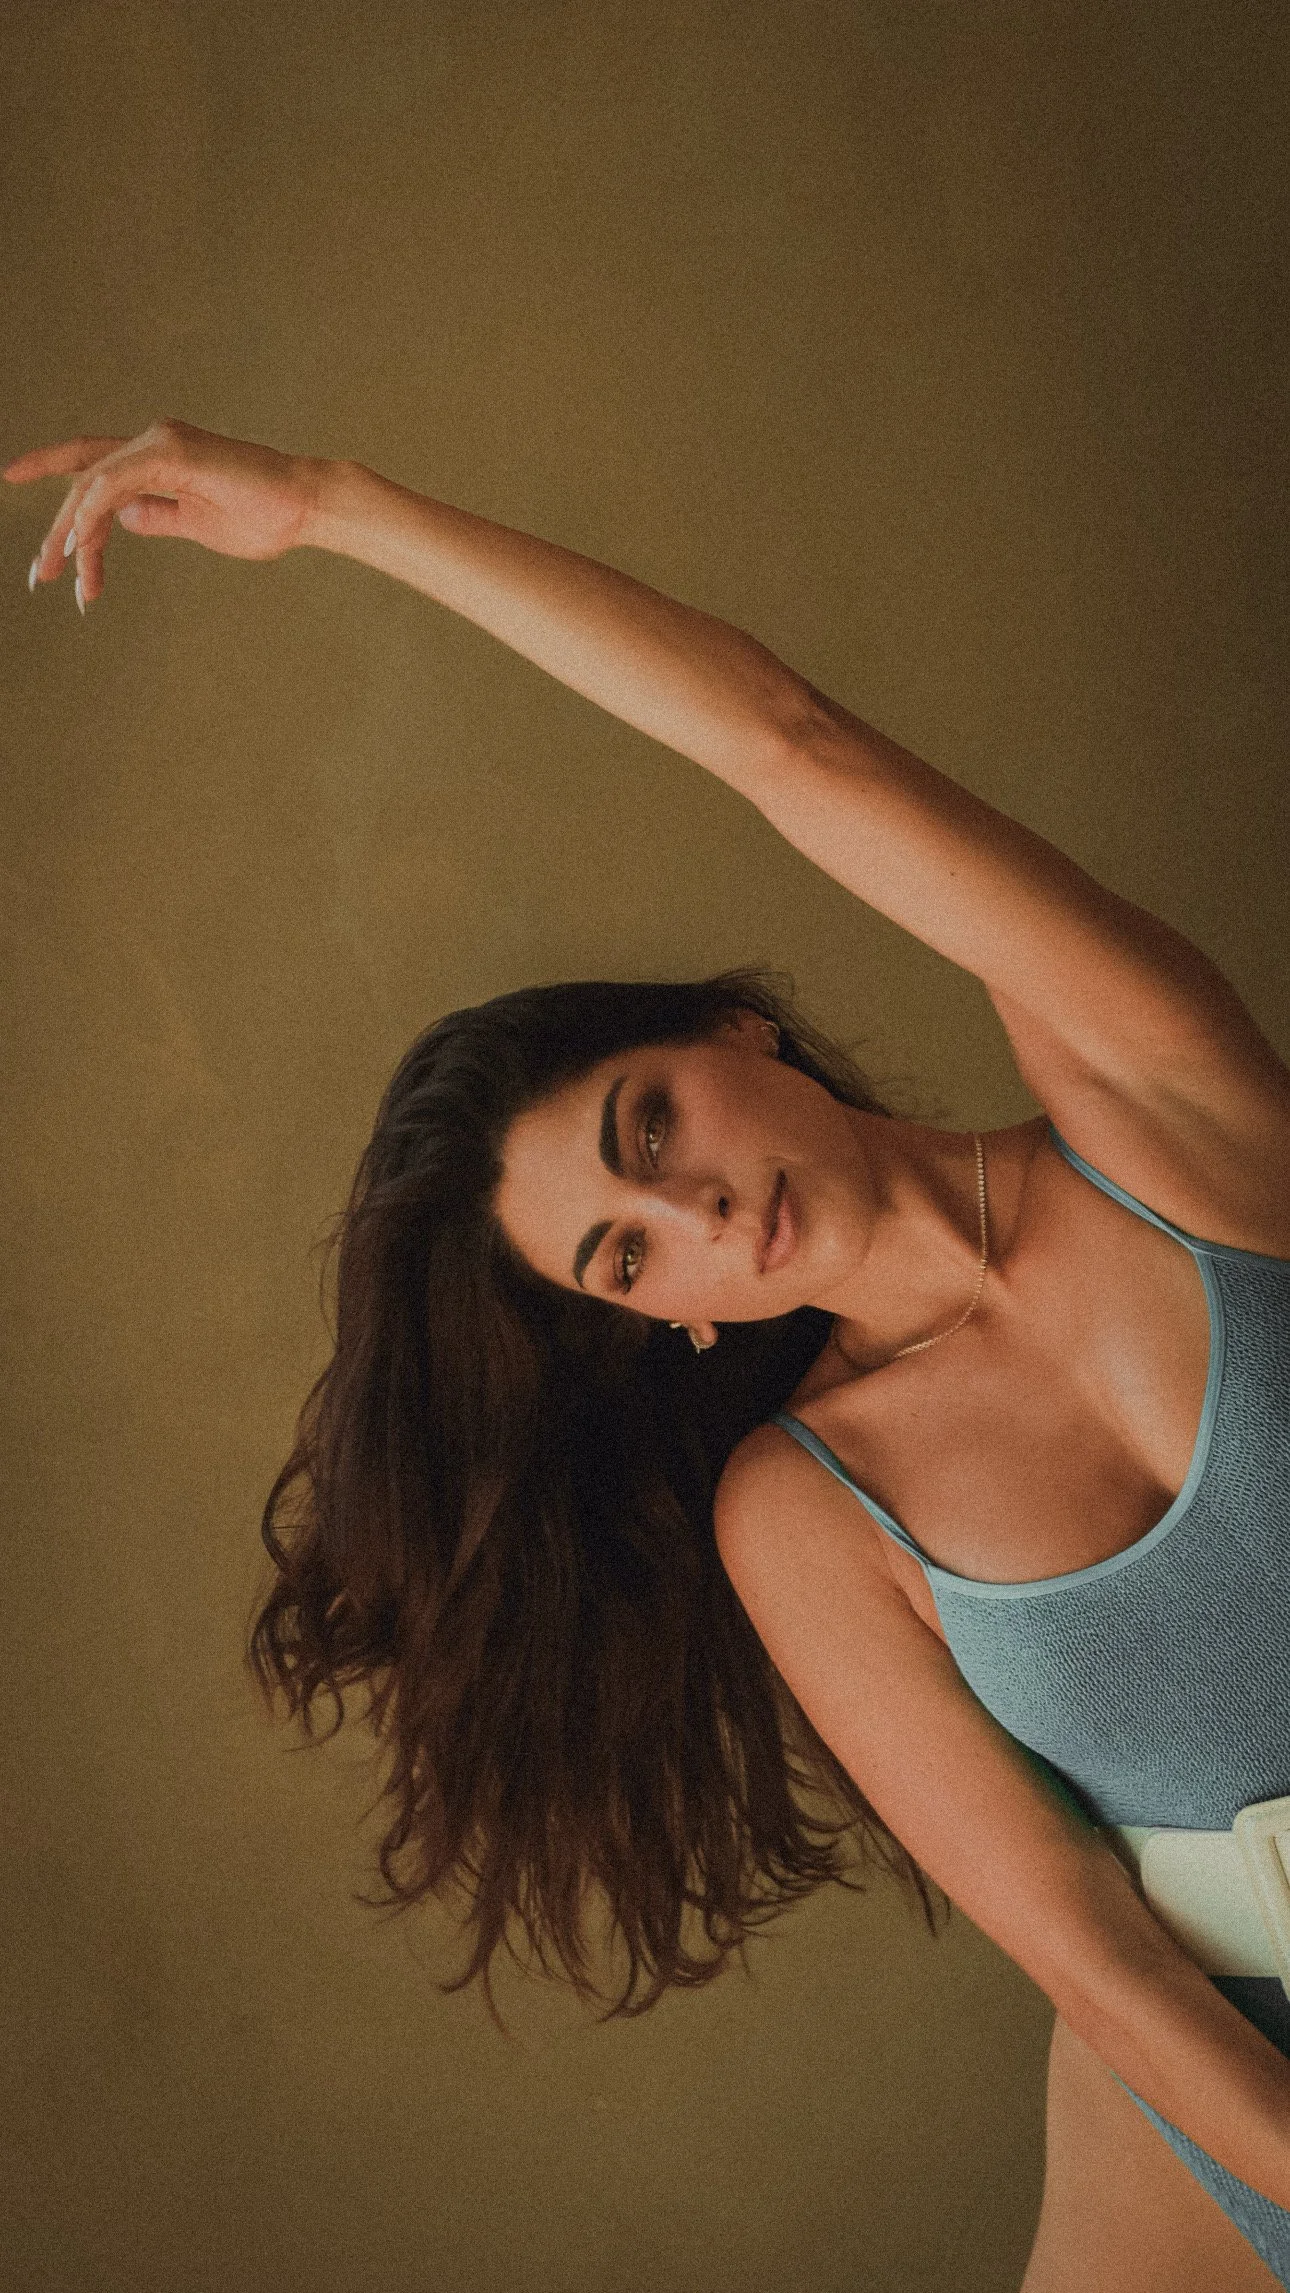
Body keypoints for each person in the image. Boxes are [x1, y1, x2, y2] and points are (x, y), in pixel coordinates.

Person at [8, 417, 1290, 2290]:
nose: (698, 1217)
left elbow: (784, 742)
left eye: (650, 1127)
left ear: (739, 1033)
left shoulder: (1160, 1113)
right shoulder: (806, 1510)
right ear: (663, 1321)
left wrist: (351, 513)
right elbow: (1088, 1949)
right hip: (1232, 2094)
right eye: (630, 1250)